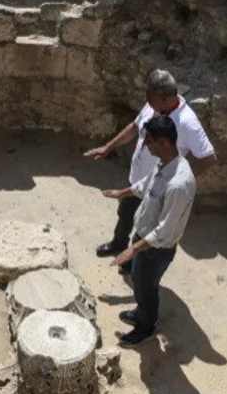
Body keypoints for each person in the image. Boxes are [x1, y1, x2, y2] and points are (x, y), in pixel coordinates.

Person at [84, 69, 217, 268]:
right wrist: (108, 147)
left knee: (145, 228)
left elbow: (209, 158)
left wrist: (178, 178)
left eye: (150, 96)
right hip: (136, 179)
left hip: (156, 190)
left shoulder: (188, 123)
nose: (146, 100)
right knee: (125, 214)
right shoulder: (154, 105)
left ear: (164, 98)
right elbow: (135, 127)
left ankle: (132, 262)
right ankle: (118, 243)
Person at [100, 115, 196, 346]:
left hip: (156, 250)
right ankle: (141, 312)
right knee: (138, 280)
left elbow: (164, 231)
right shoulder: (164, 163)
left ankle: (146, 326)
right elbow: (144, 186)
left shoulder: (179, 184)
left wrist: (132, 250)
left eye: (149, 141)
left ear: (164, 142)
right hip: (144, 238)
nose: (145, 146)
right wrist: (120, 193)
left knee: (146, 287)